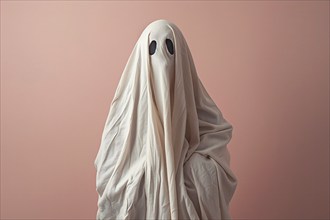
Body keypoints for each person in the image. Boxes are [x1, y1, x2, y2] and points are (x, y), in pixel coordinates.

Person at [94, 19, 237, 220]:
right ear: (142, 58)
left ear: (183, 58)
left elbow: (219, 172)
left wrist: (190, 173)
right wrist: (145, 174)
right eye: (152, 48)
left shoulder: (206, 117)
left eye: (170, 47)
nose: (161, 59)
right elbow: (108, 178)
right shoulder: (122, 118)